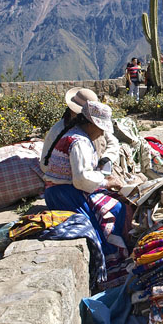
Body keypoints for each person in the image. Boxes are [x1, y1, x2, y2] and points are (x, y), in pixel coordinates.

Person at [41, 101, 129, 264]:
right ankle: (110, 260)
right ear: (91, 124)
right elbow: (81, 178)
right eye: (101, 128)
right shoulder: (79, 141)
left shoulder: (75, 134)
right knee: (114, 209)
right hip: (66, 194)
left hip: (63, 190)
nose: (102, 133)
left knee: (114, 203)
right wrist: (106, 182)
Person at [41, 87, 120, 175]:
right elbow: (45, 162)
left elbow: (113, 143)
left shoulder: (96, 127)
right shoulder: (58, 130)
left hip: (96, 174)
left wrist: (106, 158)